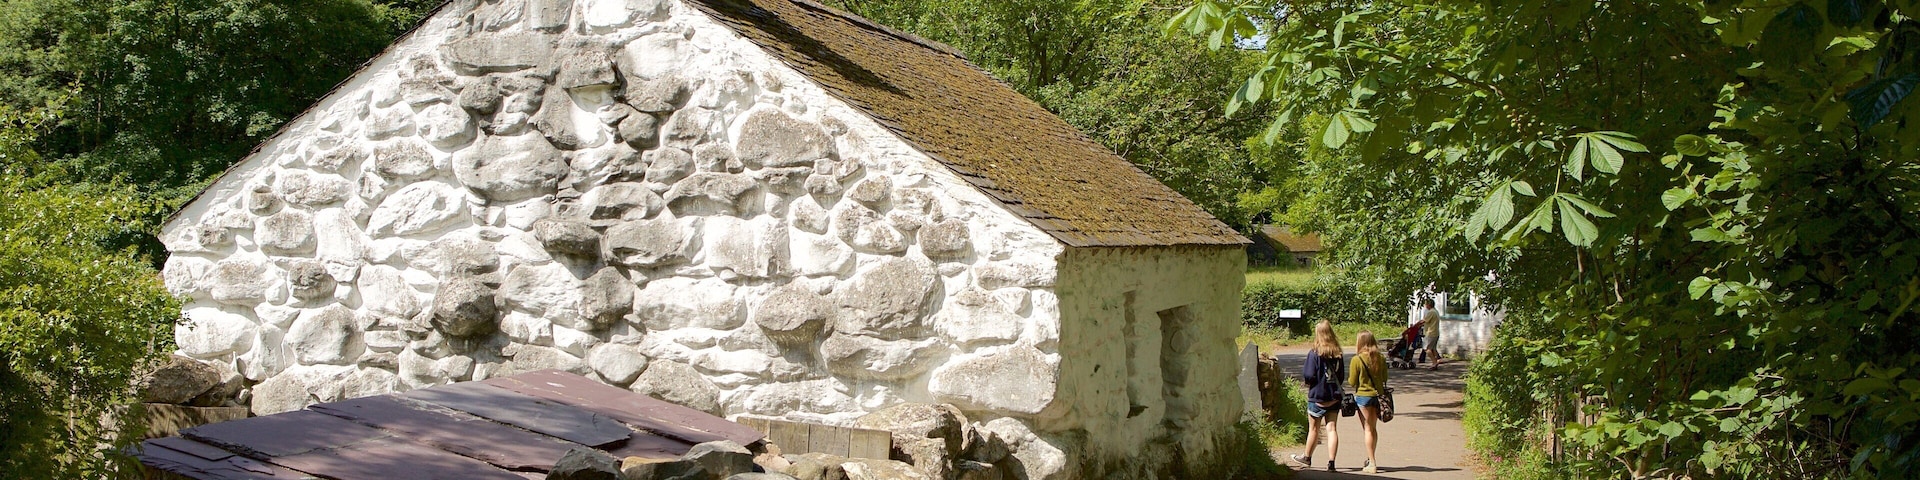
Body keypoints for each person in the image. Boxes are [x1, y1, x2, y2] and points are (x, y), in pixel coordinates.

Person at [1289, 320, 1346, 472]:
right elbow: (1341, 376)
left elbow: (1309, 374)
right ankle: (1332, 462)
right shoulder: (1338, 353)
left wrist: (1310, 382)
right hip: (1334, 397)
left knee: (1314, 429)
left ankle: (1307, 457)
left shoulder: (1314, 353)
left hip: (1317, 397)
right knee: (1332, 428)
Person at [1348, 331, 1390, 474]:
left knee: (1367, 429)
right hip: (1378, 396)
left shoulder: (1357, 360)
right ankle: (1370, 457)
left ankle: (1372, 462)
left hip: (1363, 397)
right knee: (1372, 429)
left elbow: (1352, 381)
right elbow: (1385, 378)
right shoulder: (1381, 358)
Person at [1415, 298, 1443, 370]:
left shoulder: (1431, 312)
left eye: (1426, 304)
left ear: (1429, 305)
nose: (1425, 305)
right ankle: (1437, 360)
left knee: (1427, 349)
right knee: (1433, 349)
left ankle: (1434, 363)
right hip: (1435, 332)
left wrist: (1416, 325)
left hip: (1430, 332)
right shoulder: (1436, 311)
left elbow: (1424, 321)